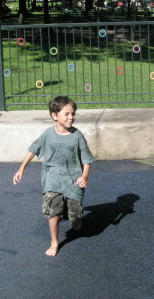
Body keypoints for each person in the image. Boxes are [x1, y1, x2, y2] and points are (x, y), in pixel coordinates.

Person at [13, 96, 95, 256]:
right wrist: (21, 168)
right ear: (54, 115)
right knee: (53, 210)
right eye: (67, 114)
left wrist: (84, 176)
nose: (71, 117)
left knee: (74, 215)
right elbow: (33, 149)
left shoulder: (77, 136)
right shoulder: (48, 134)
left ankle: (76, 220)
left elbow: (87, 159)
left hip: (73, 180)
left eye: (73, 114)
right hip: (52, 178)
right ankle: (54, 242)